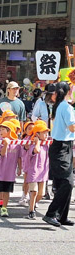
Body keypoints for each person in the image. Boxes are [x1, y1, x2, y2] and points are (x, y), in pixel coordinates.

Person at [43, 82, 75, 227]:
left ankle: (62, 216)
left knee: (65, 182)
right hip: (61, 146)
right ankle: (51, 213)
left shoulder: (59, 106)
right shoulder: (66, 107)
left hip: (61, 146)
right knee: (67, 183)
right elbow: (72, 127)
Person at [0, 121, 22, 217]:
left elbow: (19, 157)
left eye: (3, 129)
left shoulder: (17, 143)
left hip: (10, 173)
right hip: (0, 171)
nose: (0, 131)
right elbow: (2, 153)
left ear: (9, 131)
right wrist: (5, 144)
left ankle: (4, 208)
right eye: (0, 129)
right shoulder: (0, 141)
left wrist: (19, 168)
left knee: (6, 191)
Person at [25, 122, 50, 220]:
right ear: (37, 134)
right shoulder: (33, 144)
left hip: (43, 172)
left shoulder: (47, 144)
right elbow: (36, 150)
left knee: (41, 194)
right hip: (34, 172)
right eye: (44, 133)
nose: (46, 135)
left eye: (47, 133)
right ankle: (31, 211)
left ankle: (33, 204)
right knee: (34, 191)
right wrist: (37, 142)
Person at [19, 121, 35, 206]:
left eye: (33, 129)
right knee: (26, 181)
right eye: (29, 129)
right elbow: (24, 149)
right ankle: (24, 196)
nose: (31, 130)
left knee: (34, 181)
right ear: (25, 130)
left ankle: (33, 199)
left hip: (35, 164)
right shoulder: (25, 139)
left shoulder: (36, 138)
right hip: (27, 162)